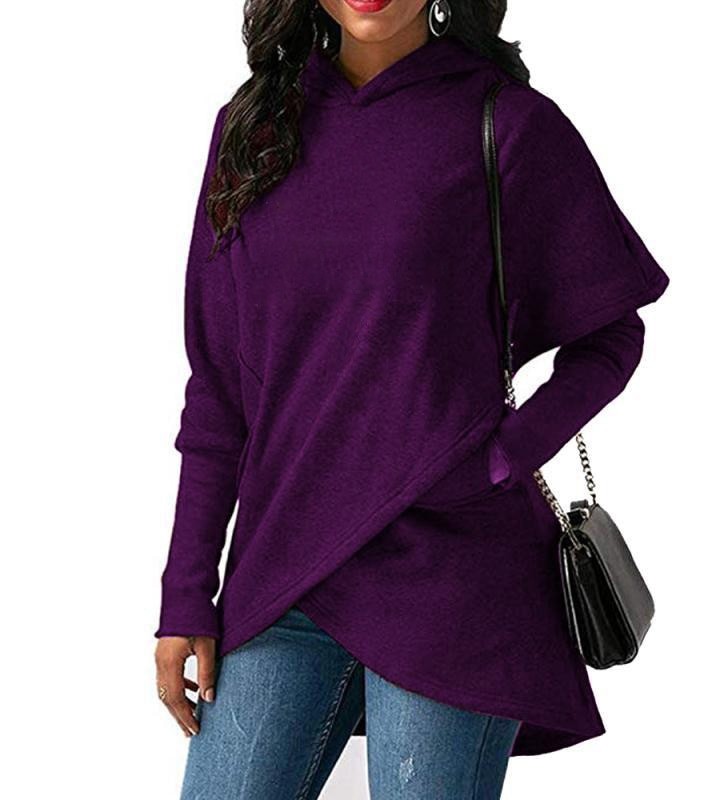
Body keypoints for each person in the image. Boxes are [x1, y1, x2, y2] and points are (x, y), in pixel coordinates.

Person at [154, 1, 670, 797]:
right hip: (285, 569)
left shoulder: (507, 123)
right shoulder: (251, 131)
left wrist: (500, 459)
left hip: (454, 578)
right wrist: (186, 592)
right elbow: (218, 388)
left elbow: (610, 334)